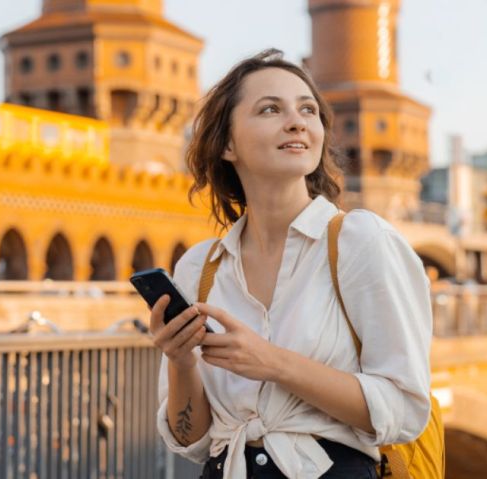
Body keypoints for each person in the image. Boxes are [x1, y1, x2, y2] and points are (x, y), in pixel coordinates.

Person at [150, 49, 432, 479]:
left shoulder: (358, 242)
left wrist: (273, 362)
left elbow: (405, 409)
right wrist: (181, 361)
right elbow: (192, 441)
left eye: (308, 109)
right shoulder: (200, 268)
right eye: (270, 109)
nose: (297, 121)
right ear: (227, 143)